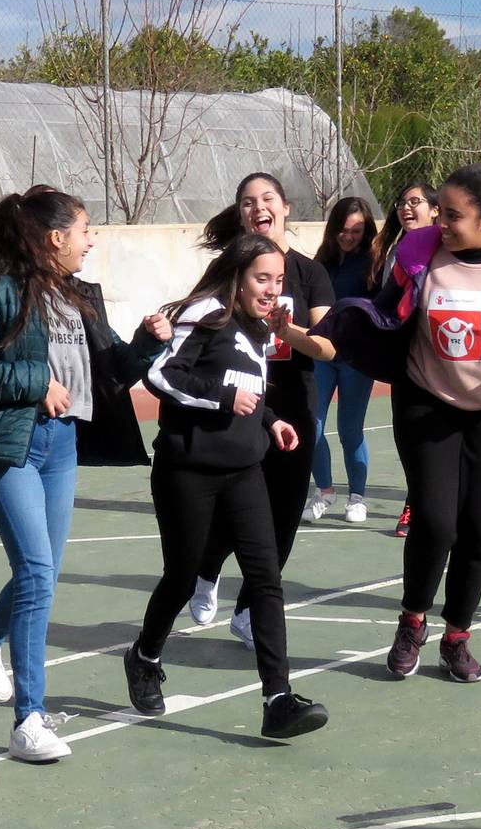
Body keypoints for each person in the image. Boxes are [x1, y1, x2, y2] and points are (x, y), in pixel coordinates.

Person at [316, 163, 481, 681]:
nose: (443, 223)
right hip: (427, 399)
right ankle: (412, 620)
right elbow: (383, 314)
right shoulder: (419, 254)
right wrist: (341, 330)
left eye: (453, 215)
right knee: (434, 520)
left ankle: (457, 637)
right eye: (441, 213)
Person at [0, 187, 170, 762]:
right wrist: (33, 382)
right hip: (11, 443)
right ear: (55, 237)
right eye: (85, 230)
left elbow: (112, 369)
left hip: (62, 442)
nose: (91, 240)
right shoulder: (1, 289)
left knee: (40, 573)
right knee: (38, 574)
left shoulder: (77, 295)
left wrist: (147, 342)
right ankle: (29, 720)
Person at [128, 233, 330, 740]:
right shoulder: (206, 313)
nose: (272, 289)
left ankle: (278, 699)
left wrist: (270, 420)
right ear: (237, 276)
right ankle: (145, 655)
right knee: (181, 577)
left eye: (278, 280)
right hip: (188, 470)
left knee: (265, 577)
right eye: (262, 278)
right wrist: (223, 399)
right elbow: (160, 375)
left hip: (245, 471)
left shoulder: (257, 328)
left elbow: (249, 390)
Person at [188, 174, 336, 645]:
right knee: (234, 506)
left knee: (284, 516)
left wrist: (285, 331)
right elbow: (197, 323)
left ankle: (249, 611)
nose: (258, 208)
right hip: (240, 403)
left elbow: (328, 347)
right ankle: (206, 569)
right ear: (241, 214)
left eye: (267, 199)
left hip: (294, 407)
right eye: (248, 202)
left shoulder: (310, 274)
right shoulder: (228, 270)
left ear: (285, 207)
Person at [306, 196, 378, 525]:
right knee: (312, 425)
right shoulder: (320, 262)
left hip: (355, 358)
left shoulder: (374, 264)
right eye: (342, 229)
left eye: (356, 231)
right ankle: (324, 491)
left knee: (350, 430)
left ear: (366, 231)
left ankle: (357, 497)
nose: (348, 236)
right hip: (320, 354)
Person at [374, 180, 439, 538]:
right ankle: (417, 497)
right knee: (405, 434)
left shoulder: (445, 247)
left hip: (441, 357)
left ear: (435, 210)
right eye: (401, 202)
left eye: (415, 201)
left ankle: (421, 503)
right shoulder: (394, 251)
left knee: (434, 435)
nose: (406, 207)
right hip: (404, 357)